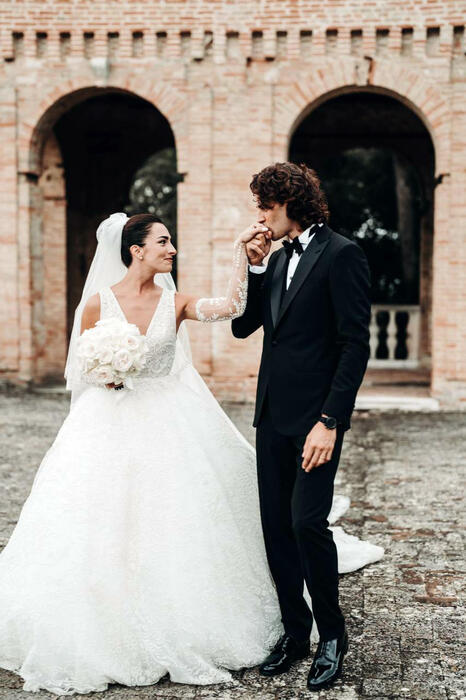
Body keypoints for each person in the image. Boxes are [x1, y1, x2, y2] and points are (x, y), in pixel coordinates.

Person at [0, 210, 382, 696]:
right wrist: (110, 372)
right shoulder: (97, 306)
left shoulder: (174, 302)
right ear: (136, 250)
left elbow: (232, 309)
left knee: (173, 519)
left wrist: (240, 259)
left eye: (172, 241)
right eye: (163, 241)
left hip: (166, 422)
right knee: (96, 520)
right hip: (106, 425)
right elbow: (82, 368)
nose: (172, 249)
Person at [232, 162, 378, 692]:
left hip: (317, 421)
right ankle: (295, 634)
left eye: (265, 205)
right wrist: (252, 267)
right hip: (271, 416)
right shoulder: (273, 258)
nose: (260, 215)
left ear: (290, 201)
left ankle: (331, 637)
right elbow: (243, 326)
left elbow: (354, 344)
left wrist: (330, 421)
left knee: (305, 524)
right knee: (274, 528)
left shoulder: (343, 255)